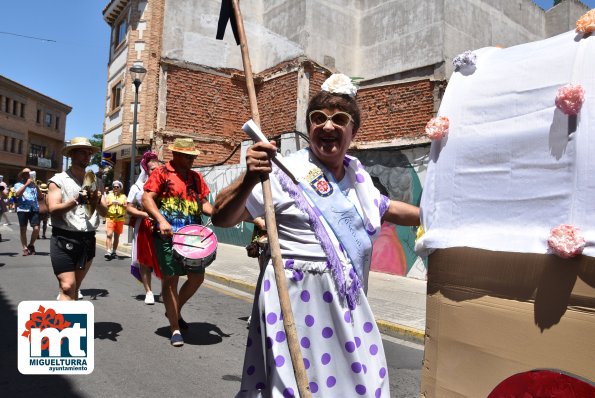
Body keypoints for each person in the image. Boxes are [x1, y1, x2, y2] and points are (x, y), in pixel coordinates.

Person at [212, 73, 420, 397]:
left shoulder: (359, 181)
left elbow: (389, 208)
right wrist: (249, 179)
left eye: (339, 119)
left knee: (363, 385)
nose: (327, 126)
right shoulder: (283, 171)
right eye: (318, 118)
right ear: (309, 126)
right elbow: (222, 216)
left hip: (347, 304)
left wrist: (437, 215)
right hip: (293, 297)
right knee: (294, 387)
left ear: (353, 130)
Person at [142, 137, 214, 347]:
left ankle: (173, 310)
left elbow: (203, 204)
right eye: (187, 156)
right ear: (175, 155)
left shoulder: (196, 177)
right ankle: (174, 328)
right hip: (166, 236)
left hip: (193, 237)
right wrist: (161, 220)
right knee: (170, 279)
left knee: (197, 278)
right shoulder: (161, 173)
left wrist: (219, 213)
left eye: (193, 156)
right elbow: (147, 199)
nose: (191, 159)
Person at [47, 137, 107, 301]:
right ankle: (66, 321)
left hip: (87, 239)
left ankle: (66, 320)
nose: (87, 156)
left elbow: (105, 212)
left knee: (74, 288)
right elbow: (53, 209)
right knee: (68, 286)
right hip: (63, 237)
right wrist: (77, 200)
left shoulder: (97, 182)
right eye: (82, 152)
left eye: (89, 153)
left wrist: (97, 199)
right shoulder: (58, 180)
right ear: (72, 154)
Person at [126, 151, 162, 305]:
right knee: (145, 260)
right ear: (146, 170)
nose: (155, 171)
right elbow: (129, 208)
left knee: (163, 259)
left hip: (163, 225)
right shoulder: (138, 187)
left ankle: (165, 290)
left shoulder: (166, 183)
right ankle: (148, 291)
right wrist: (144, 215)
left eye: (157, 167)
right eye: (152, 169)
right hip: (145, 226)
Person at [14, 168, 41, 256]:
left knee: (36, 228)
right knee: (23, 229)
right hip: (22, 209)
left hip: (34, 208)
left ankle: (31, 244)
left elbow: (40, 197)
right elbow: (17, 194)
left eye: (29, 173)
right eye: (25, 173)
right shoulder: (18, 184)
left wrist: (36, 186)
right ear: (22, 175)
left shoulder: (34, 185)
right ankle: (25, 247)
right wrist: (26, 184)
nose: (27, 175)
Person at [104, 180, 127, 260]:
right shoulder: (109, 196)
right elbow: (105, 205)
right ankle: (108, 251)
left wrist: (120, 204)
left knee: (116, 237)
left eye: (117, 187)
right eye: (114, 187)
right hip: (110, 217)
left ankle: (114, 251)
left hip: (120, 218)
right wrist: (111, 203)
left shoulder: (123, 196)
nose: (115, 188)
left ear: (120, 188)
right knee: (109, 235)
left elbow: (126, 206)